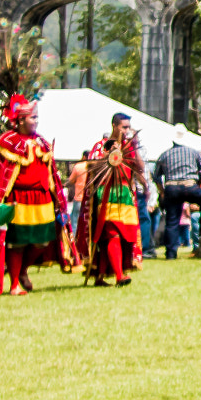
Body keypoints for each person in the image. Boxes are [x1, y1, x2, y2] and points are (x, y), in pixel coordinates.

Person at [0, 94, 66, 297]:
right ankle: (14, 284)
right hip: (18, 200)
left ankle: (22, 270)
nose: (36, 122)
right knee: (18, 243)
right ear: (21, 120)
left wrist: (58, 199)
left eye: (37, 118)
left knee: (42, 242)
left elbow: (51, 174)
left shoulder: (42, 142)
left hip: (42, 200)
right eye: (33, 118)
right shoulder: (7, 142)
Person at [76, 112, 145, 286]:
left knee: (125, 236)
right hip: (107, 193)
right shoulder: (102, 145)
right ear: (114, 126)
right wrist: (109, 157)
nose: (127, 131)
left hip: (125, 195)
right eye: (124, 127)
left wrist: (133, 146)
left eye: (129, 127)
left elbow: (140, 168)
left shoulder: (129, 146)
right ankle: (119, 276)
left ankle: (101, 276)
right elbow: (93, 167)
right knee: (112, 234)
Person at [153, 136, 201, 259]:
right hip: (190, 185)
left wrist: (162, 192)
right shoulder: (194, 152)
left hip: (172, 188)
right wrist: (197, 183)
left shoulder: (165, 154)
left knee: (172, 220)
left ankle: (171, 253)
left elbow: (156, 176)